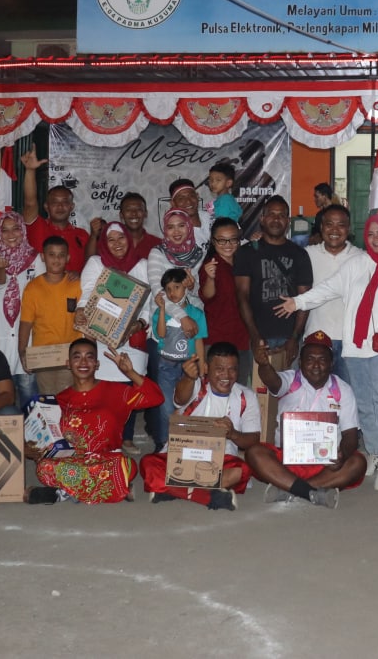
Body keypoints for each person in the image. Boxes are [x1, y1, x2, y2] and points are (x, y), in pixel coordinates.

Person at [275, 214, 378, 491]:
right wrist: (298, 302)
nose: (376, 239)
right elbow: (328, 289)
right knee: (364, 402)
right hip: (355, 346)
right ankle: (375, 451)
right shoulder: (356, 264)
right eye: (371, 234)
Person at [28, 339, 164, 504]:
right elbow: (49, 439)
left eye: (89, 357)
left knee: (126, 466)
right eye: (77, 357)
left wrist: (131, 373)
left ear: (97, 364)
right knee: (44, 468)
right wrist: (35, 449)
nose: (83, 362)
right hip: (73, 461)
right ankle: (111, 488)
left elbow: (156, 397)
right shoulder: (60, 400)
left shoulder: (117, 391)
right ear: (68, 364)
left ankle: (63, 492)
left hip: (108, 460)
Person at [244, 332, 368, 507]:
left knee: (358, 463)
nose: (316, 365)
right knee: (254, 452)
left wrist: (342, 455)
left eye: (322, 360)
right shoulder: (291, 380)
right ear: (300, 362)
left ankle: (291, 488)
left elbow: (351, 436)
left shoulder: (343, 390)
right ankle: (311, 492)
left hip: (325, 464)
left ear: (331, 363)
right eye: (310, 359)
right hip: (286, 460)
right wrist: (264, 364)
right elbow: (272, 381)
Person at [140, 342, 260, 511]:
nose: (226, 375)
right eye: (219, 369)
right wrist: (189, 377)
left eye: (232, 369)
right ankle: (207, 496)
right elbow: (180, 399)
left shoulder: (246, 396)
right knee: (148, 463)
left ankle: (172, 489)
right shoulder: (196, 385)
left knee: (243, 470)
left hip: (220, 460)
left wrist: (233, 434)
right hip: (182, 455)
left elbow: (253, 439)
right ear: (206, 368)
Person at [79, 219, 154, 451]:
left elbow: (149, 303)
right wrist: (82, 310)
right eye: (110, 239)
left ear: (129, 240)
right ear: (104, 242)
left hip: (132, 338)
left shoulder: (142, 265)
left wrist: (138, 324)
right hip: (101, 337)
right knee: (102, 390)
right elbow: (88, 293)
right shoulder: (96, 263)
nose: (117, 243)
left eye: (121, 237)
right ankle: (103, 436)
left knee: (127, 389)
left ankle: (126, 437)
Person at [235, 196, 312, 372]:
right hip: (257, 336)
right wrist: (255, 337)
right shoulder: (246, 253)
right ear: (262, 219)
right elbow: (242, 296)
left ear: (288, 221)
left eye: (281, 215)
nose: (276, 219)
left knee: (290, 388)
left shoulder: (300, 255)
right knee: (258, 388)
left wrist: (294, 338)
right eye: (271, 214)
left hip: (290, 337)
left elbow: (305, 299)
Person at [0, 210, 43, 393]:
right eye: (5, 230)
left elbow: (42, 289)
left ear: (22, 230)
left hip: (26, 327)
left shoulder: (35, 257)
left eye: (15, 228)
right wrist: (0, 269)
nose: (10, 234)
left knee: (27, 386)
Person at [302, 204, 362, 386]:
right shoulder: (307, 255)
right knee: (313, 392)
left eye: (341, 225)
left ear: (348, 228)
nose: (335, 230)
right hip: (315, 338)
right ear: (321, 227)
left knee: (347, 393)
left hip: (350, 342)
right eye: (329, 224)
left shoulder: (361, 258)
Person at [17, 237, 83, 400]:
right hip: (43, 356)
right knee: (48, 400)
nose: (56, 259)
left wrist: (90, 351)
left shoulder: (76, 285)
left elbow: (85, 320)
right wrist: (22, 352)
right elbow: (25, 323)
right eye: (51, 254)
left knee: (68, 398)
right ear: (42, 257)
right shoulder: (33, 288)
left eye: (61, 255)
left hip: (70, 355)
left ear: (68, 258)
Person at [154, 267, 208, 438]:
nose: (172, 293)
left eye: (176, 287)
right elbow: (160, 334)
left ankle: (184, 442)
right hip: (166, 365)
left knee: (188, 406)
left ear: (185, 286)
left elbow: (199, 341)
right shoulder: (160, 312)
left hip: (189, 365)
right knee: (166, 407)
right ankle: (165, 442)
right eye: (168, 289)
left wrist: (201, 367)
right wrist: (162, 310)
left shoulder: (196, 314)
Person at [199, 217, 251, 381]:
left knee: (239, 388)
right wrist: (210, 278)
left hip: (242, 338)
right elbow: (207, 295)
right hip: (217, 340)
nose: (228, 245)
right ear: (213, 241)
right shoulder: (211, 265)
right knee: (216, 388)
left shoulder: (244, 262)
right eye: (222, 240)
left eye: (233, 239)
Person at [20, 148, 89, 272]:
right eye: (55, 202)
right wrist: (30, 170)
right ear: (46, 206)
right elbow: (30, 203)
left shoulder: (82, 235)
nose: (60, 206)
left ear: (71, 206)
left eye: (65, 202)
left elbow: (89, 268)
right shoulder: (37, 227)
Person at [168, 178, 210, 248]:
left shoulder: (210, 217)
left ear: (197, 196)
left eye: (191, 196)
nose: (188, 201)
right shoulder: (178, 236)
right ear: (173, 203)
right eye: (181, 198)